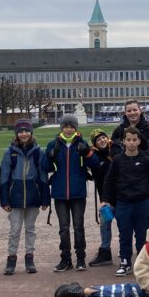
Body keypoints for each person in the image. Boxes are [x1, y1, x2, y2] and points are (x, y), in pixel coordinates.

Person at [45, 115, 101, 272]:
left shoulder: (82, 143)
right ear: (61, 128)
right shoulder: (52, 144)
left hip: (78, 192)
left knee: (78, 227)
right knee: (63, 228)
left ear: (76, 128)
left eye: (71, 127)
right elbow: (45, 167)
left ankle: (81, 258)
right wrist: (50, 157)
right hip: (60, 193)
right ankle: (66, 259)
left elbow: (95, 164)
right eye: (66, 126)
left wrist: (88, 153)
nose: (68, 129)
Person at [101, 127, 149, 276]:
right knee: (124, 234)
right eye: (128, 140)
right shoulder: (118, 160)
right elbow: (109, 181)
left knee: (142, 235)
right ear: (124, 141)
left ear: (139, 141)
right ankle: (125, 261)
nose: (131, 143)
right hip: (124, 203)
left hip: (142, 203)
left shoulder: (146, 160)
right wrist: (105, 200)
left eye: (134, 140)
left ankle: (142, 263)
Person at [0, 119, 49, 275]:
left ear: (31, 132)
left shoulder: (38, 152)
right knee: (14, 230)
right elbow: (4, 177)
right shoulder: (10, 152)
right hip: (15, 196)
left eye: (26, 131)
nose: (24, 134)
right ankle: (11, 257)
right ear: (16, 134)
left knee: (30, 229)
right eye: (20, 131)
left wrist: (45, 198)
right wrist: (4, 200)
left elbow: (43, 176)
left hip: (33, 195)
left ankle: (29, 257)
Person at [87, 129, 116, 267]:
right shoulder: (94, 156)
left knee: (124, 225)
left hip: (121, 196)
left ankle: (125, 251)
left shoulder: (116, 150)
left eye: (104, 137)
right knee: (105, 225)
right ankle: (105, 251)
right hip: (105, 198)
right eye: (98, 140)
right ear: (95, 144)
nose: (102, 140)